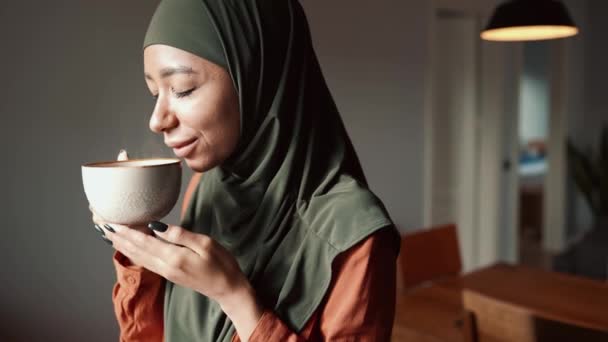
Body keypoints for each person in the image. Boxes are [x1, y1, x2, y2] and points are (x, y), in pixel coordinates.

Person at [91, 0, 400, 340]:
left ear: (257, 78)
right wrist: (139, 249)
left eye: (182, 89)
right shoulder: (207, 186)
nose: (157, 120)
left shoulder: (355, 236)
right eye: (154, 93)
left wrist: (234, 296)